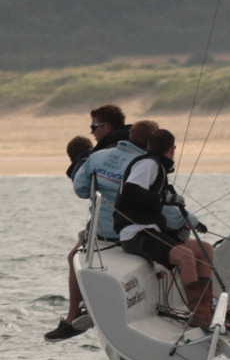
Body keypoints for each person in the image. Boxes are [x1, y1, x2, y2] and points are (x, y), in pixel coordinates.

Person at [45, 120, 203, 342]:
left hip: (102, 234)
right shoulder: (148, 164)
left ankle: (72, 318)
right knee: (184, 249)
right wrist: (193, 222)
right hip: (134, 233)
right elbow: (165, 209)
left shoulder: (98, 157)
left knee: (73, 256)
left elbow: (81, 189)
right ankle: (196, 311)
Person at [114, 129, 215, 331]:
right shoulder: (148, 164)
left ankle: (206, 309)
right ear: (172, 149)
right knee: (186, 257)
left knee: (205, 250)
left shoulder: (157, 166)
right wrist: (164, 199)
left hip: (151, 230)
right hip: (135, 233)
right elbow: (131, 193)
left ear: (150, 146)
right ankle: (199, 316)